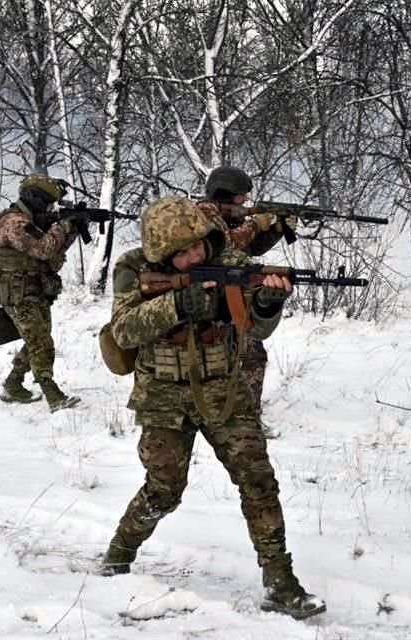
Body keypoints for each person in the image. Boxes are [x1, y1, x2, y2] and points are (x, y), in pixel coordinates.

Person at [100, 195, 326, 620]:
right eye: (181, 253)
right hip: (163, 396)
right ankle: (119, 552)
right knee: (164, 490)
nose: (194, 255)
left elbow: (256, 327)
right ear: (160, 253)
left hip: (225, 391)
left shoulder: (233, 260)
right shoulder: (132, 268)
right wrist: (178, 305)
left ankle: (281, 583)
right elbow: (125, 330)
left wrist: (267, 303)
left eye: (198, 246)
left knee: (258, 480)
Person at [196, 166, 288, 439]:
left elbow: (252, 247)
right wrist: (256, 224)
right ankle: (248, 422)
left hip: (232, 293)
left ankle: (235, 412)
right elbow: (226, 245)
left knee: (244, 353)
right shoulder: (205, 213)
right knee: (249, 355)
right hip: (213, 297)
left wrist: (278, 228)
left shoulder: (230, 216)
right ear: (224, 193)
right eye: (241, 196)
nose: (246, 201)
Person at [0, 173, 81, 413]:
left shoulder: (28, 220)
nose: (50, 208)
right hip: (15, 292)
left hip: (30, 289)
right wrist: (64, 225)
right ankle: (53, 394)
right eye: (48, 203)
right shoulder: (13, 223)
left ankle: (13, 384)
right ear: (35, 199)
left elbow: (52, 250)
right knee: (40, 341)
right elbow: (44, 248)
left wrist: (74, 228)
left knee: (38, 336)